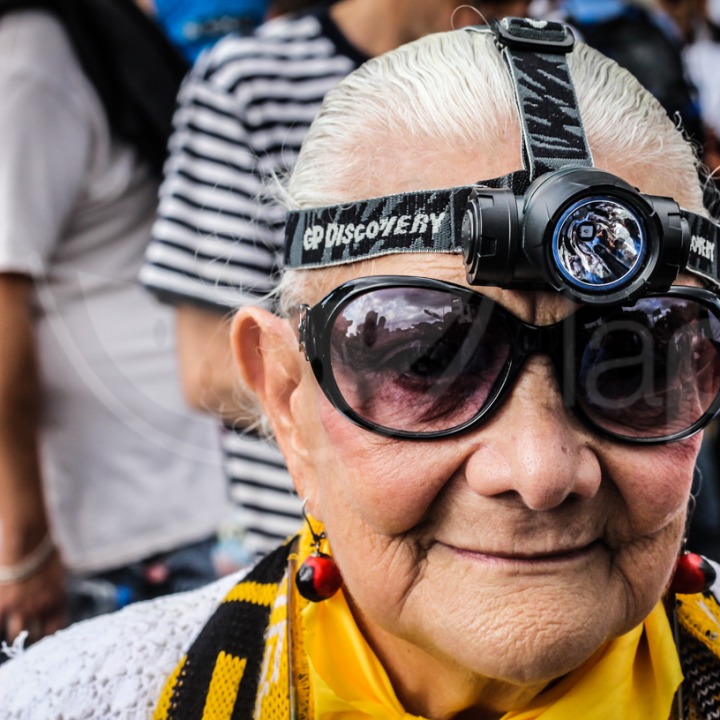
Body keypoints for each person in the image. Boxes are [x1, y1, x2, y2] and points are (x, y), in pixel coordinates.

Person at [0, 19, 720, 719]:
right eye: (425, 358)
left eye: (633, 360)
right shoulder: (74, 705)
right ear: (286, 398)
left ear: (714, 382)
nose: (540, 472)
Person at [141, 0, 531, 561]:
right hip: (316, 545)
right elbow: (209, 363)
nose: (519, 11)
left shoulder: (542, 77)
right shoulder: (252, 81)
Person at [0, 0, 227, 651]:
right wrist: (24, 547)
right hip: (112, 534)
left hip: (155, 517)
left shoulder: (73, 43)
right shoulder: (35, 54)